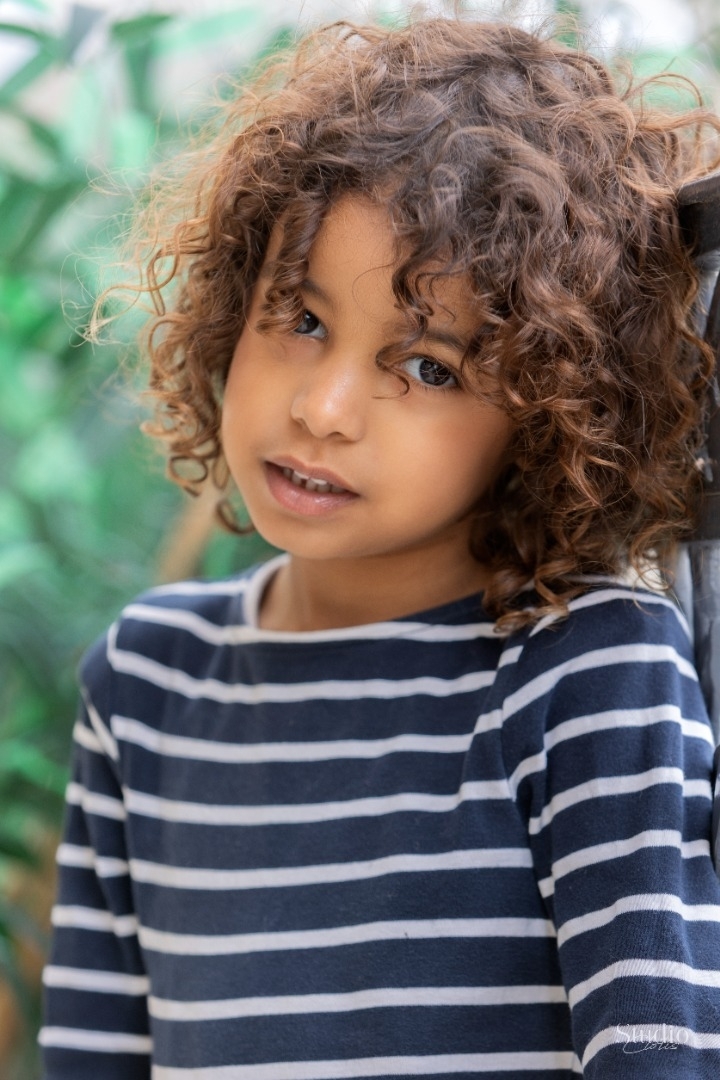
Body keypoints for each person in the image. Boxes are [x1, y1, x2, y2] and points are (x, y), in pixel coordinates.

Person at [39, 15, 720, 1080]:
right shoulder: (146, 683)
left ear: (554, 413)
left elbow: (660, 1056)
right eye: (301, 317)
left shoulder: (584, 673)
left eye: (430, 367)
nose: (324, 408)